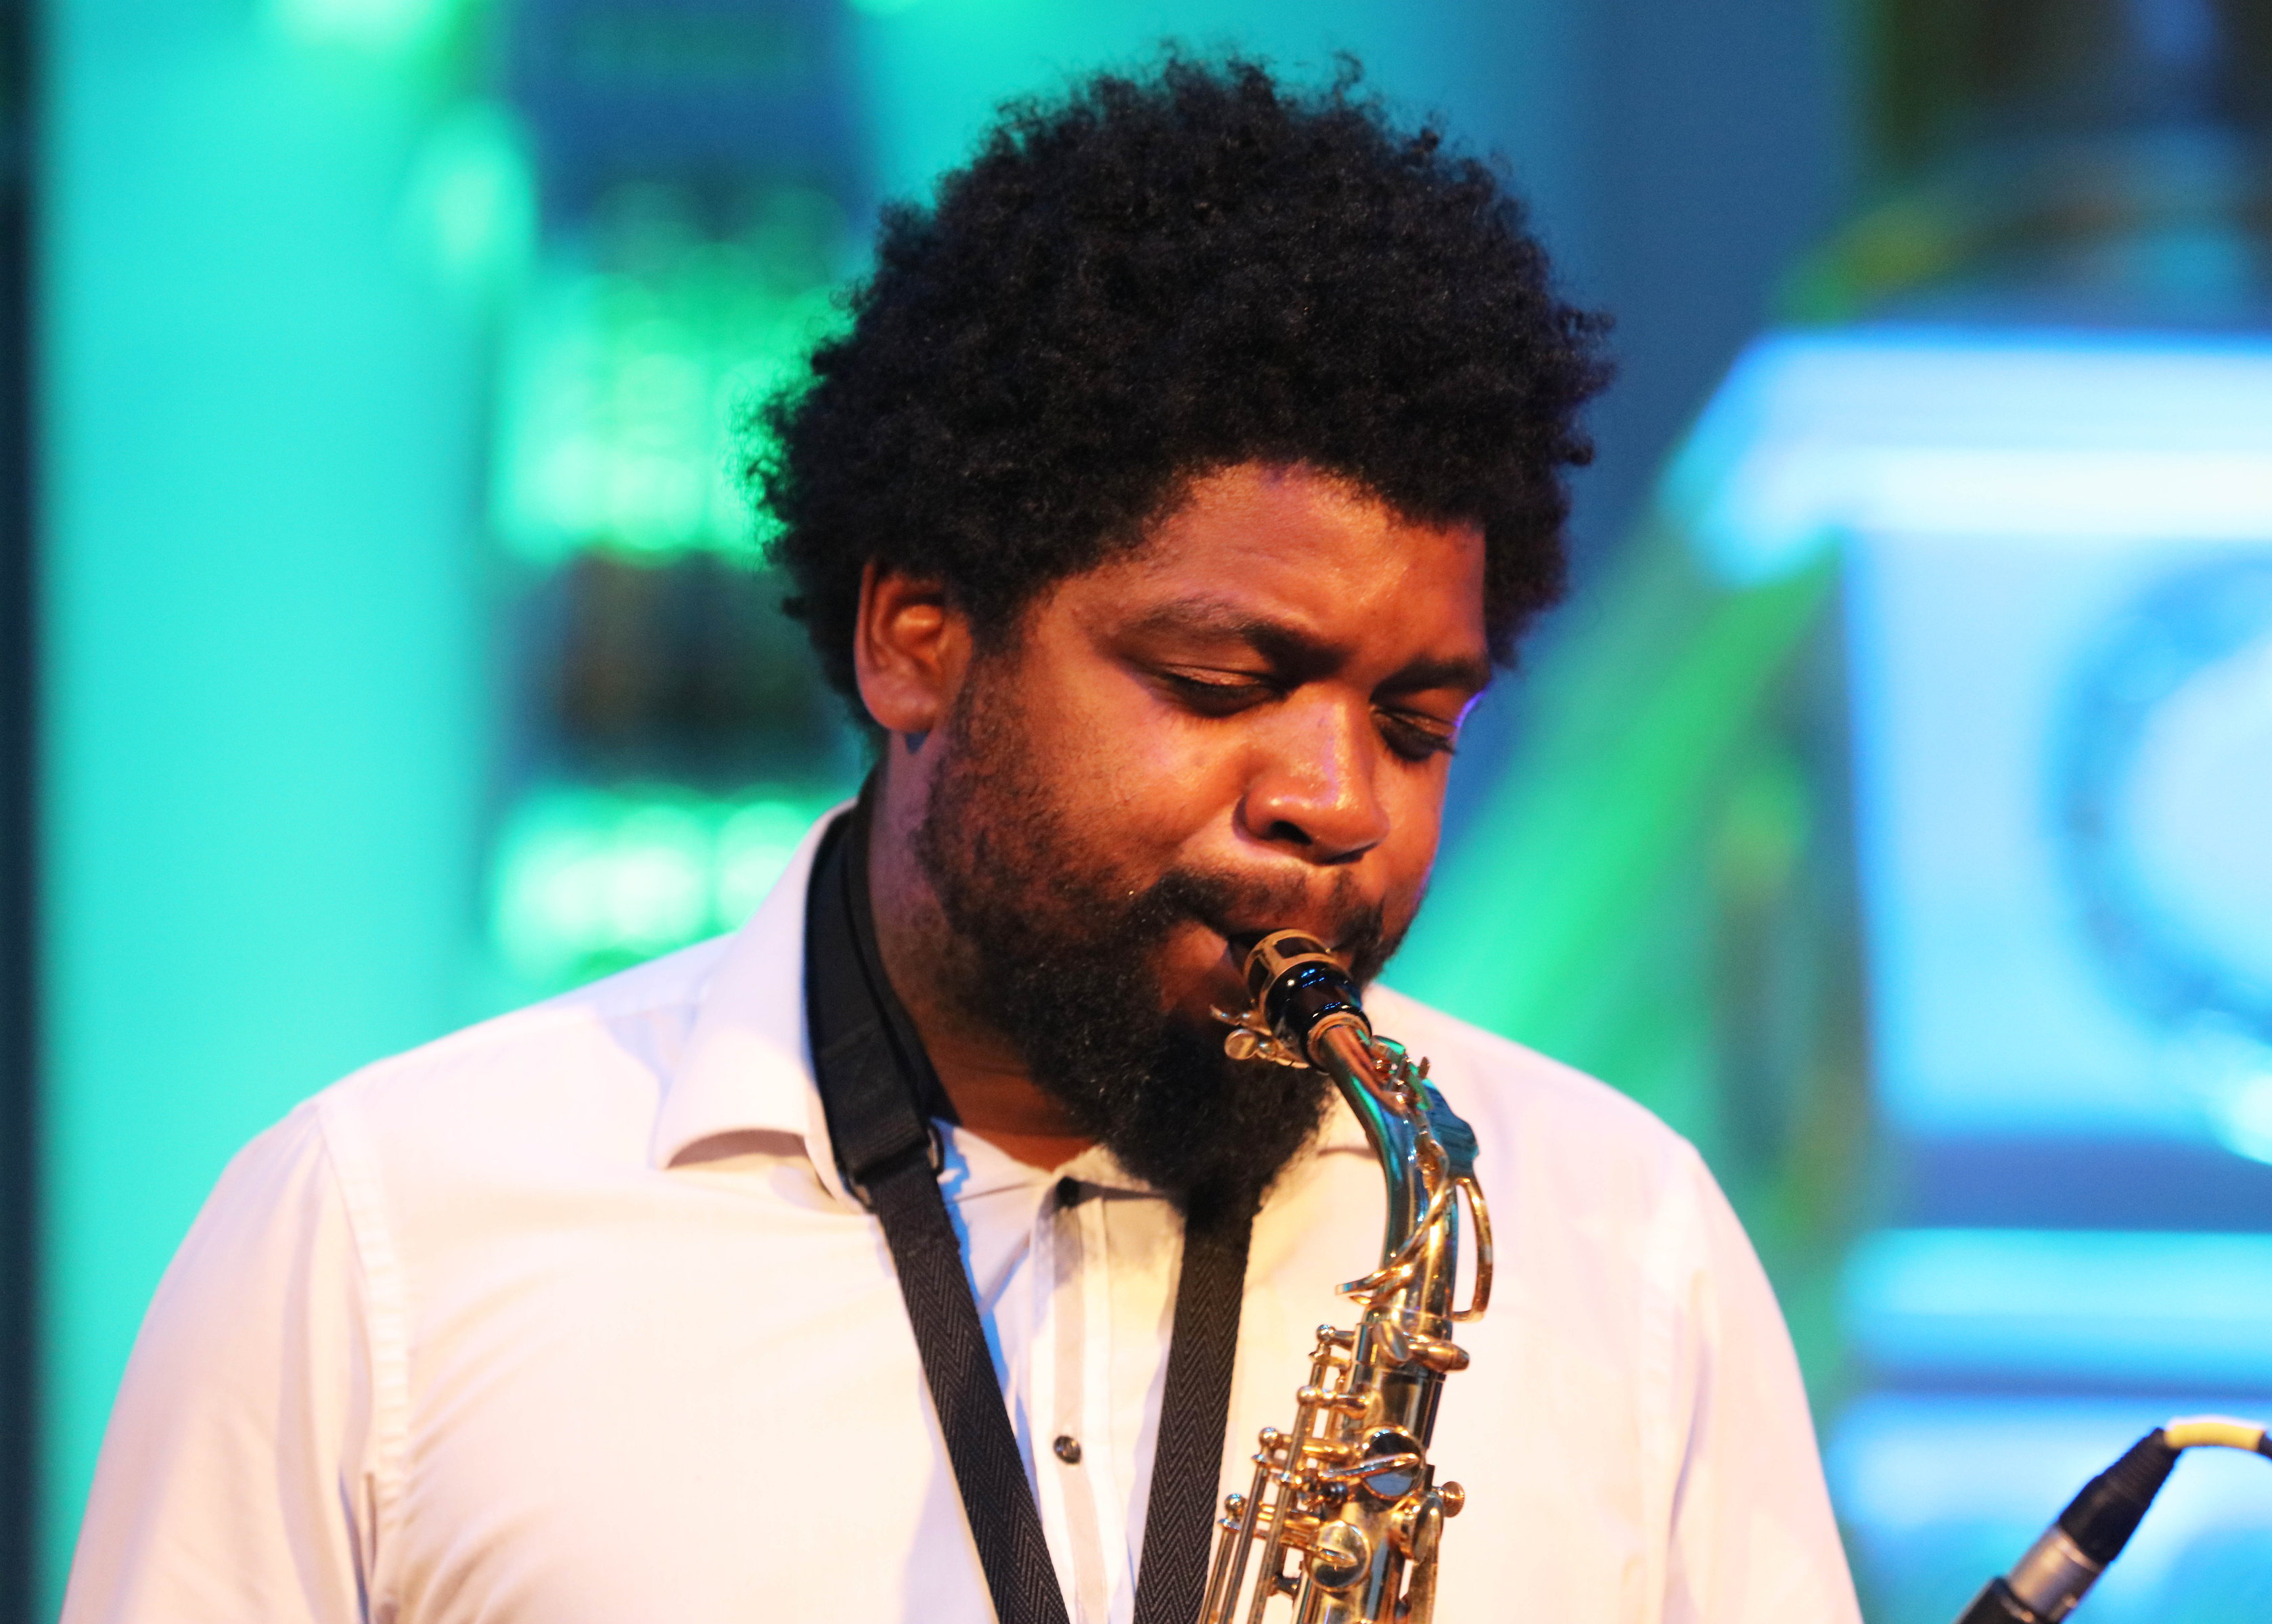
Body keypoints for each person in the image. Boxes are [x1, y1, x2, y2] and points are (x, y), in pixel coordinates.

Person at [63, 54, 1860, 1624]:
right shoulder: (377, 1238)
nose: (1338, 804)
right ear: (915, 637)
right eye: (1224, 682)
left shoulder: (1625, 1242)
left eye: (1416, 723)